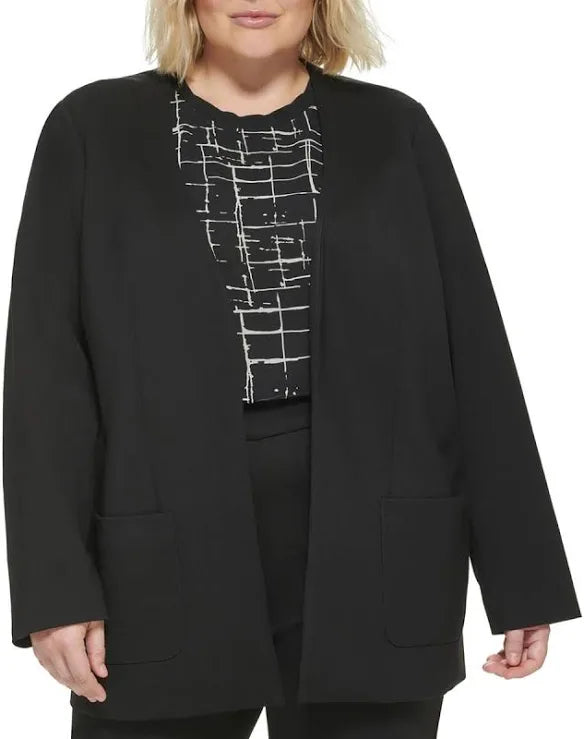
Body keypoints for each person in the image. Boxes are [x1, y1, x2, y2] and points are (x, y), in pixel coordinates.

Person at [2, 1, 581, 738]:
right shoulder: (92, 129)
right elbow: (45, 374)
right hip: (158, 549)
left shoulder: (395, 130)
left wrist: (522, 575)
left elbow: (474, 355)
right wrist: (55, 588)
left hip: (377, 550)